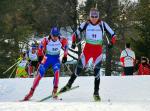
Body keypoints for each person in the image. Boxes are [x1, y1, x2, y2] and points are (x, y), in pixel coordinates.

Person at [59, 8, 116, 101]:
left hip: (97, 52)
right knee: (79, 68)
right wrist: (73, 42)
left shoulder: (102, 24)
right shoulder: (85, 24)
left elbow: (113, 35)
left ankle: (96, 93)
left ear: (98, 16)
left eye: (96, 16)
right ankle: (68, 85)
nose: (94, 18)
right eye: (92, 16)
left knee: (97, 72)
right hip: (87, 50)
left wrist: (112, 42)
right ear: (89, 16)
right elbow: (74, 34)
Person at [23, 27, 68, 101]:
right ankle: (30, 93)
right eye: (54, 35)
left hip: (56, 59)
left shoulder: (62, 39)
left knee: (57, 72)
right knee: (40, 74)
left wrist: (65, 56)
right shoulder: (46, 40)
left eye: (57, 35)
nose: (55, 37)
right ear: (51, 34)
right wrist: (40, 56)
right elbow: (40, 48)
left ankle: (54, 92)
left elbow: (66, 47)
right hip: (46, 58)